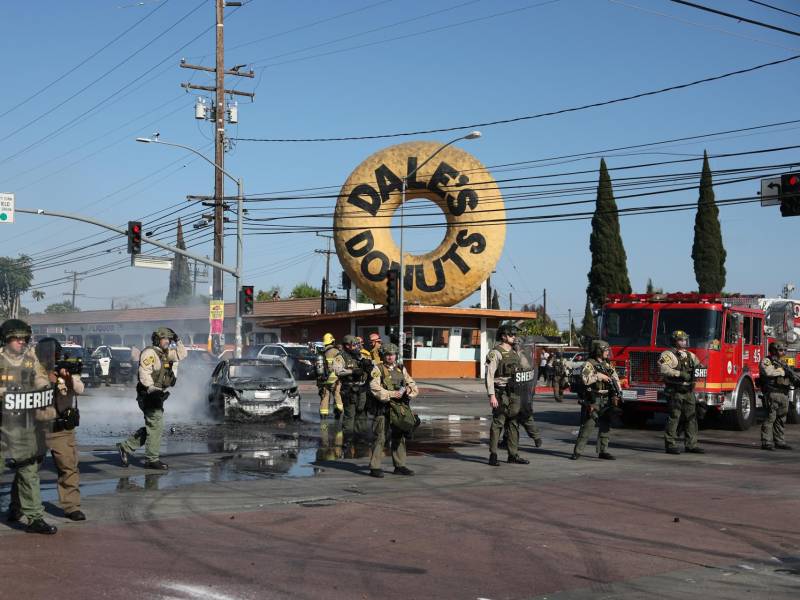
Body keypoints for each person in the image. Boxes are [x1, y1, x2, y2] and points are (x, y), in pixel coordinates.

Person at [15, 338, 86, 521]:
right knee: (27, 470)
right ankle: (17, 507)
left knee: (69, 468)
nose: (51, 357)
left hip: (61, 428)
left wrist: (67, 377)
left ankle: (71, 507)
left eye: (53, 354)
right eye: (47, 354)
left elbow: (79, 389)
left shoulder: (66, 370)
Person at [0, 319, 58, 534]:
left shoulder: (30, 361)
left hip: (22, 426)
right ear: (6, 339)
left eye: (24, 339)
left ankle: (34, 517)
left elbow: (41, 382)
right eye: (17, 338)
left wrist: (44, 391)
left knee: (28, 469)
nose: (21, 342)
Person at [117, 327, 187, 470]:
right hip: (148, 395)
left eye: (169, 339)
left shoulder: (166, 353)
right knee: (156, 425)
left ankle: (126, 447)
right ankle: (151, 459)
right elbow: (144, 373)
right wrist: (151, 389)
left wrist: (178, 340)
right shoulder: (150, 353)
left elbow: (182, 354)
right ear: (157, 340)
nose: (167, 341)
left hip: (157, 395)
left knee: (154, 426)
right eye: (164, 339)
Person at [367, 343, 418, 478]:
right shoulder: (377, 369)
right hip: (383, 408)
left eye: (393, 354)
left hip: (399, 409)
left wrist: (408, 391)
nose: (391, 357)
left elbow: (412, 384)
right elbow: (375, 388)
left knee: (399, 437)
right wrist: (391, 394)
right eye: (388, 354)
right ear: (384, 355)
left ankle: (400, 465)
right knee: (380, 437)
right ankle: (375, 467)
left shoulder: (401, 368)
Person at [486, 324, 533, 466]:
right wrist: (492, 395)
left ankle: (513, 455)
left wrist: (520, 352)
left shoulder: (515, 352)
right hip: (501, 392)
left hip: (515, 393)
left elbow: (526, 367)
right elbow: (489, 375)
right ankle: (493, 455)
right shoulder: (495, 353)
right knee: (498, 423)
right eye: (512, 335)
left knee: (513, 424)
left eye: (514, 335)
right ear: (503, 336)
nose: (514, 337)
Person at [571, 340, 619, 460]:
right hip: (594, 398)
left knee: (606, 426)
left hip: (606, 399)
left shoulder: (607, 365)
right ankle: (577, 452)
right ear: (599, 351)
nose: (608, 352)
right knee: (588, 426)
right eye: (605, 350)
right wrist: (599, 376)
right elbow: (585, 379)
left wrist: (617, 392)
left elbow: (615, 378)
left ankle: (603, 450)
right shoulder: (589, 364)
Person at [660, 330, 705, 455]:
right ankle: (670, 444)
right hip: (676, 391)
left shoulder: (690, 355)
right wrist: (680, 374)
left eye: (685, 339)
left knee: (692, 418)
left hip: (689, 391)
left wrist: (701, 369)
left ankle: (691, 444)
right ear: (674, 341)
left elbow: (699, 366)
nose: (684, 342)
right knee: (674, 417)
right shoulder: (668, 355)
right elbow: (664, 369)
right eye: (681, 340)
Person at [333, 335, 371, 439]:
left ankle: (360, 438)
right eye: (354, 345)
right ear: (347, 345)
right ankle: (348, 439)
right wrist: (352, 371)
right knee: (350, 415)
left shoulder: (360, 355)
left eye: (357, 344)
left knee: (362, 414)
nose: (356, 347)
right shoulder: (340, 356)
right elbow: (337, 371)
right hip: (349, 389)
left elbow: (372, 367)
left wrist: (369, 366)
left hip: (362, 388)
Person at [759, 341, 794, 451]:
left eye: (784, 350)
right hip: (772, 393)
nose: (783, 352)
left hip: (783, 394)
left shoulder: (783, 363)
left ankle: (780, 441)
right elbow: (768, 372)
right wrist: (782, 372)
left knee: (781, 419)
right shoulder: (767, 361)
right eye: (780, 350)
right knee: (770, 418)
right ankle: (767, 442)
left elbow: (789, 376)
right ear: (773, 350)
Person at [317, 333, 343, 419]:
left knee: (325, 396)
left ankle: (324, 414)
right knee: (337, 394)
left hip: (323, 379)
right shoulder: (336, 352)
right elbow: (340, 366)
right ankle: (338, 411)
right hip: (334, 378)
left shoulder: (322, 352)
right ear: (332, 341)